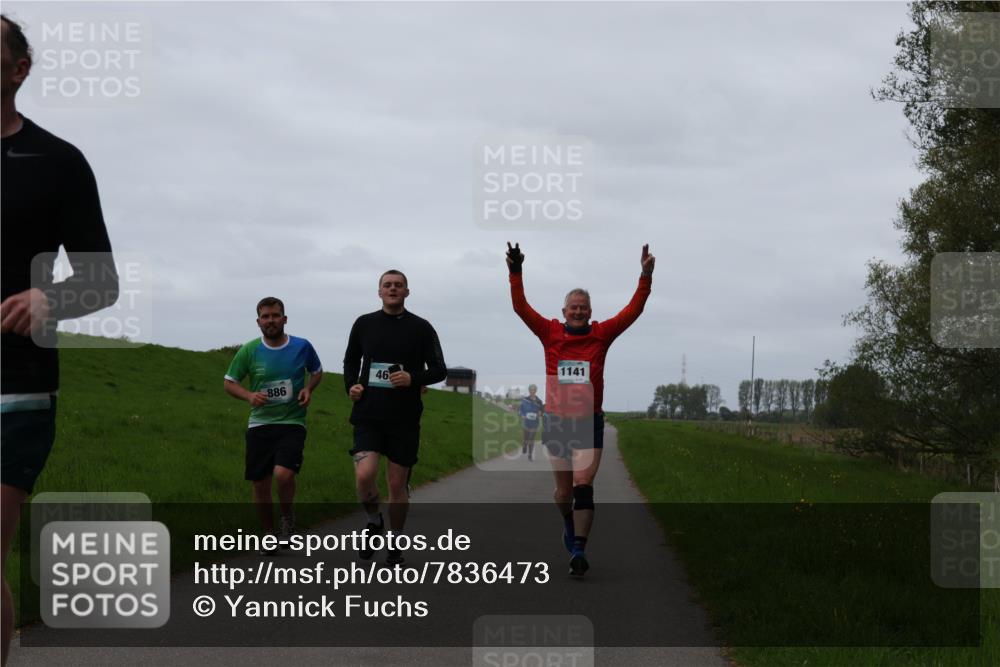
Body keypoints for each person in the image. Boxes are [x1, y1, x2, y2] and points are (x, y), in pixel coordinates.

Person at [1, 15, 120, 664]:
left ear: (19, 70)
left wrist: (52, 296)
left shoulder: (58, 162)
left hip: (16, 386)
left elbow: (101, 280)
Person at [506, 242, 654, 577]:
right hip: (558, 422)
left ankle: (579, 550)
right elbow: (520, 308)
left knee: (583, 483)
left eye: (583, 307)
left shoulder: (602, 335)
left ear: (590, 311)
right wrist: (515, 272)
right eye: (573, 307)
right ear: (564, 311)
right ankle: (568, 525)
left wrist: (645, 276)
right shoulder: (550, 333)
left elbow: (633, 310)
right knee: (562, 492)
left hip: (589, 422)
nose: (577, 311)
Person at [343, 269, 446, 565]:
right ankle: (374, 522)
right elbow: (351, 359)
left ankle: (396, 541)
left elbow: (439, 369)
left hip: (404, 417)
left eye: (398, 285)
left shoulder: (422, 328)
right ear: (379, 292)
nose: (393, 289)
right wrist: (352, 385)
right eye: (387, 285)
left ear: (407, 292)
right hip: (368, 414)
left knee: (397, 486)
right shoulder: (364, 324)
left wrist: (412, 378)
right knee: (364, 476)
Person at [224, 297, 322, 554]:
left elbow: (317, 370)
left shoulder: (302, 346)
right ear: (258, 322)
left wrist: (309, 389)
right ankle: (268, 533)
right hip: (259, 424)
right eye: (265, 317)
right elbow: (229, 382)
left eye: (275, 315)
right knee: (260, 483)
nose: (271, 321)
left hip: (292, 421)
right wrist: (249, 396)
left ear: (284, 319)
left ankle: (287, 517)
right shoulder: (249, 350)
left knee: (283, 474)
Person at [518, 384, 544, 461]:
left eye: (534, 390)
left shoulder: (539, 401)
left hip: (534, 423)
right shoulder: (525, 400)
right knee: (526, 438)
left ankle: (530, 455)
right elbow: (520, 410)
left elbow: (542, 411)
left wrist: (540, 413)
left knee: (531, 438)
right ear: (529, 391)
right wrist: (522, 415)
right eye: (531, 390)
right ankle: (524, 445)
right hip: (526, 422)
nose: (532, 391)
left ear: (536, 391)